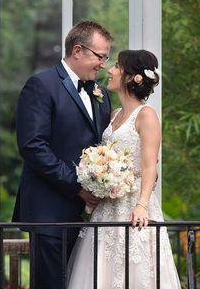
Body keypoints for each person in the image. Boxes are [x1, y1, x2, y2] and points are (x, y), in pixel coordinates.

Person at [66, 49, 181, 289]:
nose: (110, 69)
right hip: (109, 204)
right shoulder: (114, 114)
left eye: (117, 66)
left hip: (134, 205)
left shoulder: (146, 115)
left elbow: (150, 166)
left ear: (131, 77)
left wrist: (141, 205)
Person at [12, 21, 113, 289]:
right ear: (78, 50)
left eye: (106, 57)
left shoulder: (99, 93)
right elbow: (33, 146)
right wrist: (78, 186)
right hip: (50, 213)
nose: (103, 64)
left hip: (87, 215)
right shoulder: (41, 85)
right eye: (100, 56)